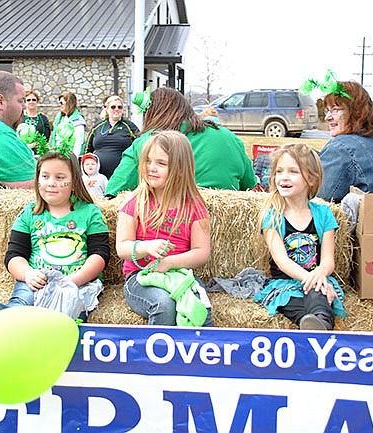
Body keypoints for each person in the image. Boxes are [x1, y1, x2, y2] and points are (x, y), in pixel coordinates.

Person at [0, 150, 110, 321]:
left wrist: (73, 281)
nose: (51, 183)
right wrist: (28, 274)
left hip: (77, 283)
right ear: (37, 179)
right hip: (37, 280)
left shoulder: (90, 212)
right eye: (45, 176)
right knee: (21, 305)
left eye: (60, 178)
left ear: (74, 182)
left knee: (68, 313)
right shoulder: (29, 214)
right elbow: (14, 256)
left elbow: (100, 255)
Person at [115, 130, 213, 326]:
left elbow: (202, 252)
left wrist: (169, 263)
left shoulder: (193, 206)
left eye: (161, 163)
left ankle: (194, 354)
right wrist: (145, 247)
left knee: (200, 307)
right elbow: (122, 248)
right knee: (164, 305)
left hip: (180, 275)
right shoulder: (135, 202)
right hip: (141, 277)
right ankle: (157, 355)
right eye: (148, 161)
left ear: (179, 169)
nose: (151, 168)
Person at [253, 143, 346, 330]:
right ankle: (317, 324)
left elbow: (328, 261)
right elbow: (282, 261)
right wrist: (311, 279)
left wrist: (319, 275)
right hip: (285, 283)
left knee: (318, 295)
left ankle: (317, 322)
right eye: (279, 171)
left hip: (316, 278)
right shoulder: (273, 216)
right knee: (294, 302)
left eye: (293, 172)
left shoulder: (323, 214)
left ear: (311, 179)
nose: (283, 177)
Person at [106, 88, 258, 196]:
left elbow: (116, 189)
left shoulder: (149, 141)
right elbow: (250, 183)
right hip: (225, 226)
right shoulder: (228, 137)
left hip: (168, 230)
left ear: (153, 113)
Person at [85, 95, 139, 178]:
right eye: (113, 107)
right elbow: (87, 150)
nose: (116, 109)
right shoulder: (97, 127)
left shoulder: (129, 126)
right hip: (98, 175)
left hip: (122, 174)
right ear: (107, 109)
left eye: (119, 107)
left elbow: (140, 145)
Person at [51, 91, 86, 157]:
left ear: (69, 103)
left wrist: (74, 158)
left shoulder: (77, 119)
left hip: (70, 155)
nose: (60, 105)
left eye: (61, 103)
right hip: (58, 153)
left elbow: (79, 141)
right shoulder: (60, 118)